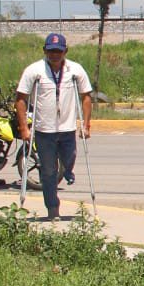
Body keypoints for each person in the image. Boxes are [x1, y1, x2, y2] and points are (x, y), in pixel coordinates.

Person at [14, 33, 94, 221]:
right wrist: (24, 128)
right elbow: (20, 99)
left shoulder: (75, 70)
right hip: (44, 130)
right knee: (48, 171)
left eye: (58, 51)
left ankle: (67, 171)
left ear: (65, 51)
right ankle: (52, 207)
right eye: (51, 51)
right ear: (45, 51)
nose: (55, 55)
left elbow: (86, 96)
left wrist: (86, 124)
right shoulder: (34, 70)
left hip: (67, 128)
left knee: (70, 157)